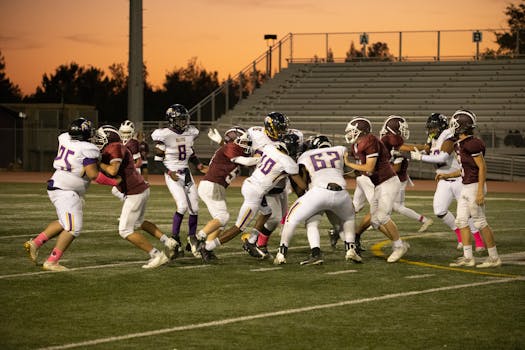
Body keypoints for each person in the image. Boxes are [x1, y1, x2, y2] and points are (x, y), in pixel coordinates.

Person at [23, 118, 121, 271]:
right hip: (66, 191)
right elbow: (93, 175)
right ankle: (52, 261)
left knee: (65, 222)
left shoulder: (64, 138)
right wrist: (114, 182)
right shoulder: (88, 148)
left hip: (59, 185)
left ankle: (35, 243)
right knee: (73, 227)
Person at [198, 142, 306, 262]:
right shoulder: (288, 162)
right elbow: (301, 185)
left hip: (251, 184)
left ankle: (251, 241)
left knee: (267, 212)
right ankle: (207, 248)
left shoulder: (270, 148)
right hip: (255, 193)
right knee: (239, 227)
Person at [94, 125, 178, 269]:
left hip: (135, 191)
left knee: (125, 230)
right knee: (139, 223)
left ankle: (156, 255)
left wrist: (99, 163)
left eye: (100, 139)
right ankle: (168, 241)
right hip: (139, 188)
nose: (97, 141)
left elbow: (113, 171)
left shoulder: (114, 147)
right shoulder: (115, 147)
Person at [273, 135, 360, 265]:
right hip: (342, 193)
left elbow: (302, 184)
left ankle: (282, 253)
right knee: (348, 218)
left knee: (292, 219)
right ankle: (351, 249)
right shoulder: (340, 149)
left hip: (318, 192)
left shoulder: (306, 155)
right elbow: (353, 169)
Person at [409, 113, 485, 251]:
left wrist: (420, 157)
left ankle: (479, 242)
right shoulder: (433, 139)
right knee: (440, 210)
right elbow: (433, 155)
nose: (431, 131)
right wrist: (422, 153)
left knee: (468, 213)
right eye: (429, 128)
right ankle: (461, 237)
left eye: (433, 128)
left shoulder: (449, 137)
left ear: (440, 127)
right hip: (444, 180)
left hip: (460, 179)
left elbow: (442, 158)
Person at [435, 110, 501, 268]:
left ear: (461, 126)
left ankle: (494, 258)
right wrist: (447, 175)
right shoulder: (460, 144)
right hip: (465, 185)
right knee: (461, 221)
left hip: (474, 187)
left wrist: (479, 191)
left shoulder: (473, 143)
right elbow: (465, 169)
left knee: (480, 222)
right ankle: (468, 257)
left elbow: (482, 167)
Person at [344, 117, 410, 263]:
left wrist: (348, 164)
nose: (349, 134)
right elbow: (364, 170)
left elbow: (369, 167)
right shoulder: (356, 146)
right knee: (375, 220)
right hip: (379, 184)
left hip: (389, 182)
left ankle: (398, 246)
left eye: (352, 132)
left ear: (361, 132)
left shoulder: (370, 141)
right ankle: (400, 243)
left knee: (382, 216)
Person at [151, 104, 208, 257]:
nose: (184, 122)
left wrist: (199, 165)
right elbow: (157, 161)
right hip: (173, 173)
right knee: (182, 206)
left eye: (185, 119)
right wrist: (169, 172)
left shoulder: (190, 133)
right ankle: (175, 239)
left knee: (194, 208)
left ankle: (192, 238)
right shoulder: (163, 135)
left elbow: (191, 153)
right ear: (172, 120)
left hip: (186, 172)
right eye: (180, 119)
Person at [195, 126, 257, 257]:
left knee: (220, 223)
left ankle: (206, 249)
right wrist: (262, 158)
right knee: (223, 217)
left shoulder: (230, 148)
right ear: (235, 140)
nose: (246, 144)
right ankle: (198, 238)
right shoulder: (230, 148)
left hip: (215, 185)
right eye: (244, 141)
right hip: (213, 185)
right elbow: (246, 161)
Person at [380, 115, 434, 232]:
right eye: (401, 129)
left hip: (398, 179)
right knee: (386, 202)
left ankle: (424, 220)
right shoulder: (389, 144)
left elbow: (397, 168)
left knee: (396, 206)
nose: (403, 132)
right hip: (395, 178)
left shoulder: (398, 148)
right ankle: (377, 221)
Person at [111, 120, 142, 201]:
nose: (125, 134)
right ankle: (129, 201)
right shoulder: (119, 142)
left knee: (116, 190)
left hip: (132, 171)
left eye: (127, 132)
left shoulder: (133, 143)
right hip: (125, 171)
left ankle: (129, 201)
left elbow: (139, 161)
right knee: (117, 191)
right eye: (123, 132)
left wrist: (131, 170)